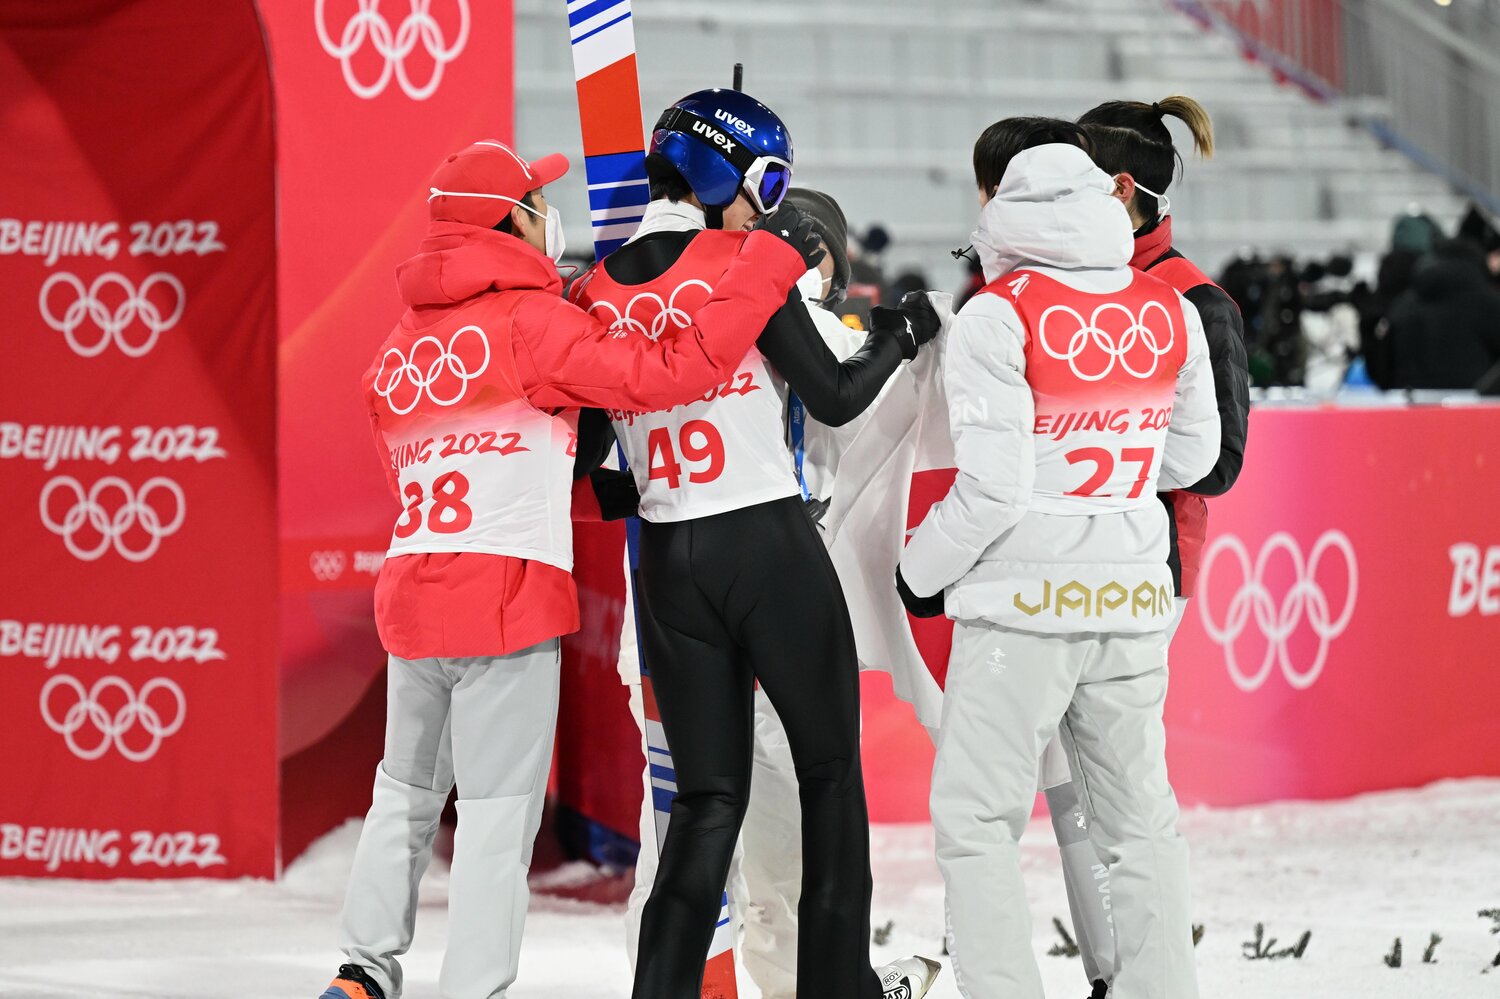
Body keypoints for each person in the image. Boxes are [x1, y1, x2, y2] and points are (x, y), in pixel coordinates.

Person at [319, 138, 821, 999]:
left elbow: (477, 470)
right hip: (504, 602)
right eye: (534, 201)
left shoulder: (397, 347)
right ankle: (472, 988)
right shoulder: (534, 320)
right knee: (494, 814)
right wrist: (766, 268)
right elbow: (670, 374)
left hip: (412, 590)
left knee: (400, 791)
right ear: (509, 219)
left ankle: (362, 972)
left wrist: (610, 498)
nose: (547, 216)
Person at [570, 89, 942, 999]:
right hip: (766, 542)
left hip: (666, 562)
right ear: (723, 171)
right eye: (765, 179)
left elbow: (598, 471)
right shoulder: (747, 264)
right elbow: (837, 396)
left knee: (703, 809)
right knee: (828, 781)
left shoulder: (594, 290)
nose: (768, 203)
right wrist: (901, 331)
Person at [897, 117, 1219, 999]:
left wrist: (919, 572)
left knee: (978, 820)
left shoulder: (996, 315)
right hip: (1131, 594)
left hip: (1021, 606)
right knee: (1140, 821)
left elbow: (993, 491)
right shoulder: (1170, 308)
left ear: (1004, 215)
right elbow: (1193, 463)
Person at [1012, 94, 1247, 997]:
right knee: (1069, 785)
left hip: (1145, 566)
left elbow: (1219, 461)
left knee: (1114, 794)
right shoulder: (1063, 283)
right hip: (1068, 557)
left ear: (1116, 187)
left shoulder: (1193, 298)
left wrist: (1104, 448)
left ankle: (1135, 972)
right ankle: (1120, 969)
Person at [1379, 237, 1500, 390]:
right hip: (1473, 406)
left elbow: (1385, 364)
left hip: (1411, 404)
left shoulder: (1403, 304)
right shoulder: (1488, 304)